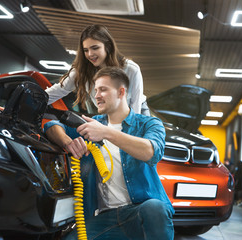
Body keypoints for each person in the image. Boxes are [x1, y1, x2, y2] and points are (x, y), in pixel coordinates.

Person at [44, 67, 174, 240]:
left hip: (140, 212)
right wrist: (68, 142)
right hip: (106, 217)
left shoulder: (149, 124)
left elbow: (151, 151)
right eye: (96, 90)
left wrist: (106, 133)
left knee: (155, 209)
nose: (97, 95)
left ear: (121, 92)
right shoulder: (90, 125)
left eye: (103, 89)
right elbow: (51, 126)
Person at [45, 24, 150, 116]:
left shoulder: (131, 69)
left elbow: (135, 106)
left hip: (137, 111)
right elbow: (59, 90)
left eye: (95, 48)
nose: (90, 54)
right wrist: (32, 101)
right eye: (86, 50)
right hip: (111, 113)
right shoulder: (82, 71)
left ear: (107, 46)